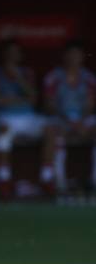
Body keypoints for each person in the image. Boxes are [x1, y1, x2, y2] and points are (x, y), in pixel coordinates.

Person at [0, 40, 56, 194]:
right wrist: (20, 99)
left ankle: (47, 178)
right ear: (4, 54)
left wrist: (17, 77)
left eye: (16, 52)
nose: (13, 55)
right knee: (3, 131)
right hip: (5, 117)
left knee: (51, 129)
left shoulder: (27, 73)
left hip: (28, 117)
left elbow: (33, 97)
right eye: (9, 52)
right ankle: (3, 179)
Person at [43, 42, 96, 194]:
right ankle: (59, 182)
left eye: (77, 54)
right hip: (60, 118)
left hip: (82, 119)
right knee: (54, 131)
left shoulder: (89, 78)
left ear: (82, 57)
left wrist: (80, 122)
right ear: (65, 56)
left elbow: (90, 105)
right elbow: (49, 104)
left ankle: (94, 181)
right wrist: (68, 120)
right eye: (71, 54)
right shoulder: (53, 77)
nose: (74, 58)